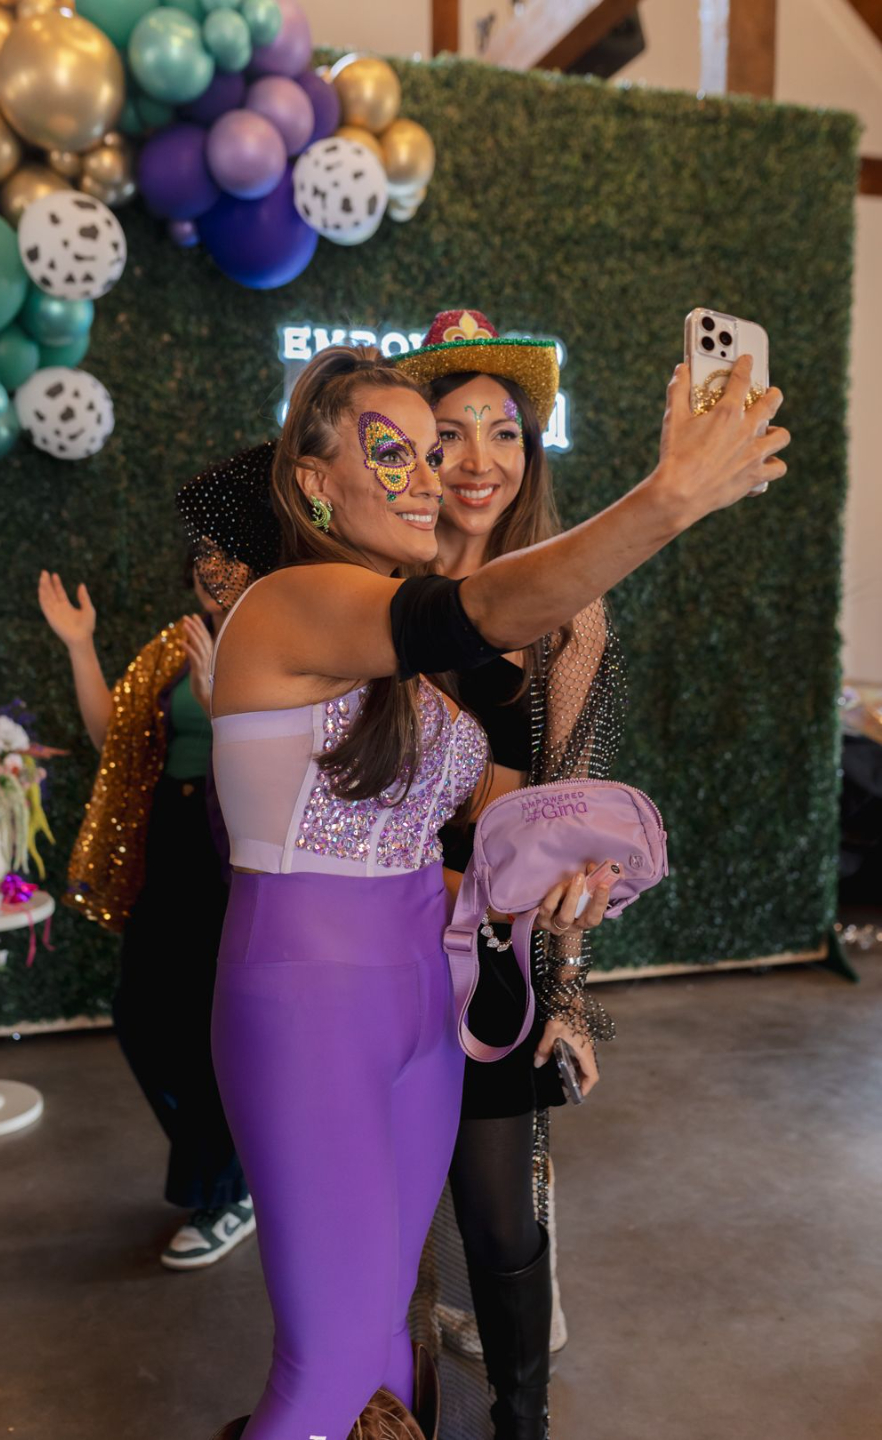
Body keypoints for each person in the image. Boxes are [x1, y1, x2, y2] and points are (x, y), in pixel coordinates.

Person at [184, 340, 787, 1440]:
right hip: (313, 1012)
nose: (427, 478)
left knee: (385, 1341)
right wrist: (668, 499)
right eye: (394, 452)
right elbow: (478, 613)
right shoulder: (288, 605)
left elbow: (468, 821)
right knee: (326, 1368)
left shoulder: (397, 663)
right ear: (314, 480)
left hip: (425, 1002)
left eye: (431, 453)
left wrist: (567, 867)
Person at [395, 309, 626, 1439]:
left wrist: (568, 992)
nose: (479, 460)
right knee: (383, 1214)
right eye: (450, 433)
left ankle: (520, 1422)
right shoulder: (365, 594)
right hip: (369, 934)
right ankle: (390, 1409)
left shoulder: (570, 611)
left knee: (497, 1215)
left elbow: (570, 822)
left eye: (505, 433)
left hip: (492, 954)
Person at [38, 446, 277, 1270]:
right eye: (204, 560)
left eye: (229, 559)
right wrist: (80, 645)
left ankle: (226, 1191)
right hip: (171, 845)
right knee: (142, 1015)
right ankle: (230, 1174)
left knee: (218, 1026)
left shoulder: (281, 643)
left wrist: (223, 703)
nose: (214, 573)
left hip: (238, 850)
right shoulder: (175, 646)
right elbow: (113, 739)